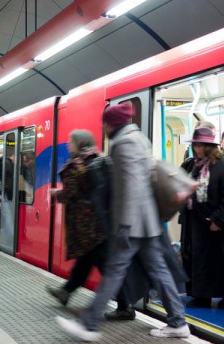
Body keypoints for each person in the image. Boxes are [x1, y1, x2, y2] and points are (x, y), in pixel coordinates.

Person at [56, 102, 190, 341]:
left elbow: (132, 185)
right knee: (159, 271)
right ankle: (178, 322)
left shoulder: (123, 143)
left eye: (104, 124)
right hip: (146, 222)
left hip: (133, 222)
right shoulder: (138, 137)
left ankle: (88, 324)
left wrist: (124, 225)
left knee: (115, 271)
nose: (103, 128)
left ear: (109, 123)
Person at [47, 129, 135, 320]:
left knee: (105, 267)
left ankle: (125, 307)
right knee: (86, 261)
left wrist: (56, 194)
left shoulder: (76, 166)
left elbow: (70, 194)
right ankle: (66, 291)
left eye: (71, 142)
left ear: (79, 144)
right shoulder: (99, 159)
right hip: (100, 222)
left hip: (86, 225)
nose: (69, 146)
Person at [180, 127, 224, 309]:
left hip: (217, 222)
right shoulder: (191, 165)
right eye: (196, 145)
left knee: (223, 261)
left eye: (201, 145)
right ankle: (201, 296)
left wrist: (218, 218)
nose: (198, 149)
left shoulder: (223, 165)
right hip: (195, 221)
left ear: (209, 146)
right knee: (198, 259)